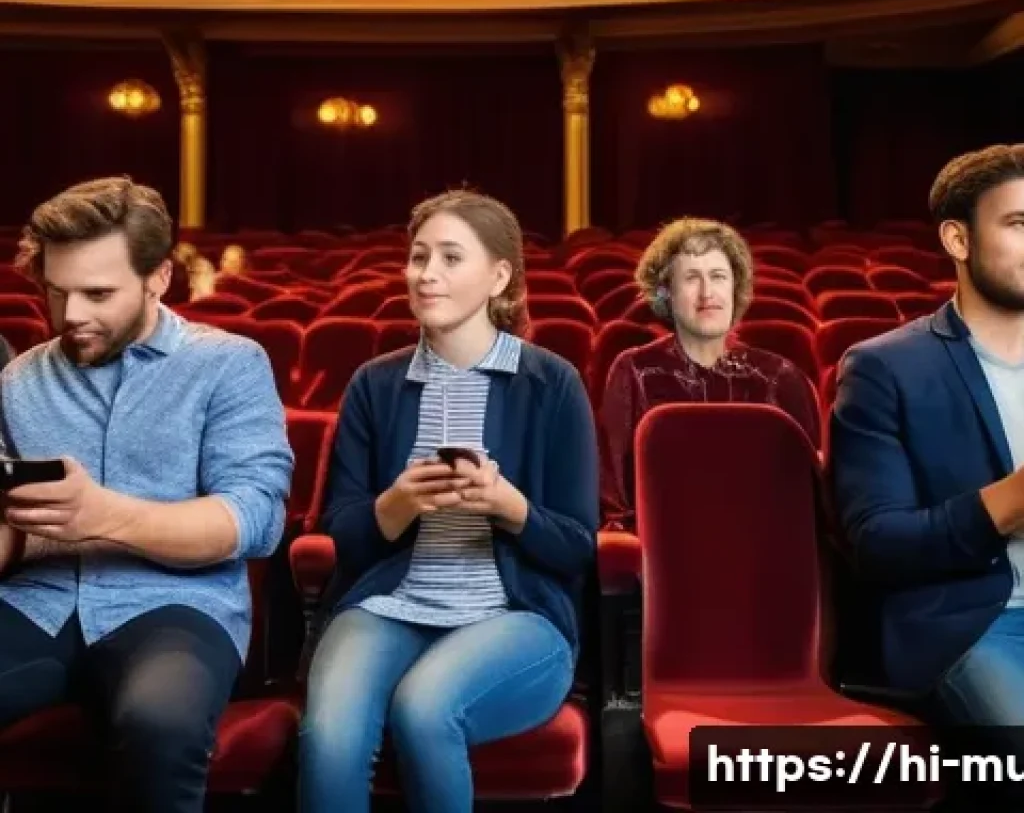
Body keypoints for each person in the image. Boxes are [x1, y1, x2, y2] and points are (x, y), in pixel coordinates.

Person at [299, 189, 598, 813]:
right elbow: (343, 535)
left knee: (425, 708)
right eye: (417, 257)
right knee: (329, 736)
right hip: (389, 604)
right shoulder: (374, 384)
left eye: (450, 258)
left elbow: (577, 546)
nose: (426, 273)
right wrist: (398, 505)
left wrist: (508, 506)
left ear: (499, 277)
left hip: (514, 616)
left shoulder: (552, 383)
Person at [0, 177, 293, 812]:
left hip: (177, 606)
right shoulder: (19, 379)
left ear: (159, 278)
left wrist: (104, 515)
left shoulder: (230, 363)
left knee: (161, 727)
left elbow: (256, 518)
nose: (72, 314)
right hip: (35, 600)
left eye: (98, 293)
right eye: (56, 291)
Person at [831, 144, 1024, 716]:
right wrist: (1007, 503)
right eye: (1019, 224)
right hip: (980, 626)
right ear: (958, 240)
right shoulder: (885, 368)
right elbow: (877, 544)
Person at [600, 217, 820, 530]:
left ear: (736, 287)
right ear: (666, 294)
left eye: (718, 277)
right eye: (691, 278)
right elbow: (616, 505)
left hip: (764, 551)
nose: (707, 293)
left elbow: (808, 506)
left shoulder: (781, 377)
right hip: (663, 554)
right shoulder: (634, 371)